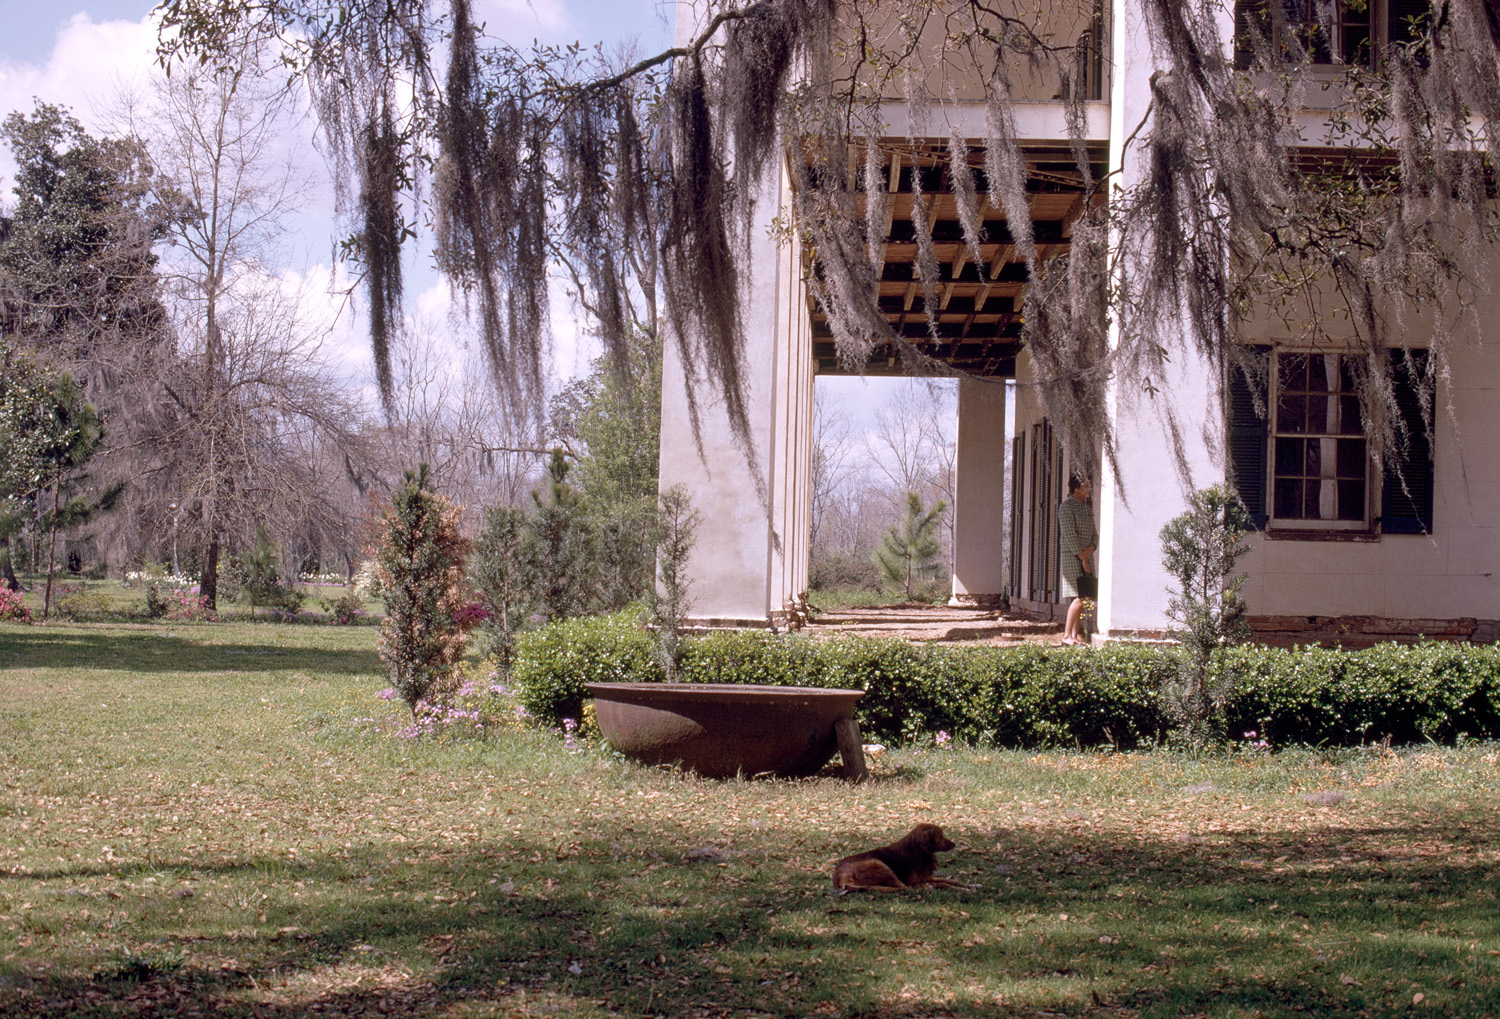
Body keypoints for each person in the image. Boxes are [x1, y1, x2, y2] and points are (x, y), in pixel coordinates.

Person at [1057, 475, 1097, 646]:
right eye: (1085, 486)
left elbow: (1095, 534)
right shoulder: (1066, 507)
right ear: (1075, 488)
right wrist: (1081, 556)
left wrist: (1090, 549)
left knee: (1086, 596)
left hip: (1087, 555)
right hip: (1073, 556)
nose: (1088, 489)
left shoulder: (1087, 509)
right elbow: (1069, 533)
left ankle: (1074, 636)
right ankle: (1066, 636)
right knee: (1079, 596)